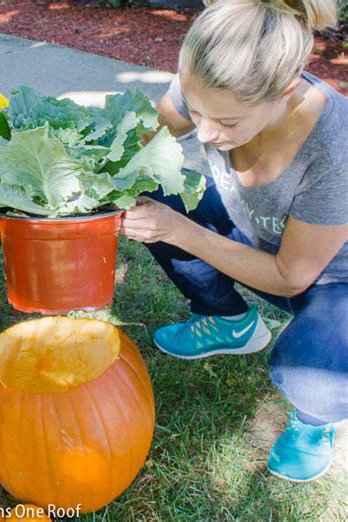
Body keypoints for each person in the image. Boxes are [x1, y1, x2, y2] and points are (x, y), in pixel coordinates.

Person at [121, 0, 347, 483]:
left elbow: (292, 277)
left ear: (284, 91)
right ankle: (226, 319)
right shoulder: (210, 84)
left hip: (332, 280)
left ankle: (316, 421)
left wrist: (179, 230)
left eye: (226, 122)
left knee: (312, 375)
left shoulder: (336, 147)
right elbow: (144, 140)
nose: (204, 132)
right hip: (259, 239)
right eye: (197, 110)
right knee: (147, 193)